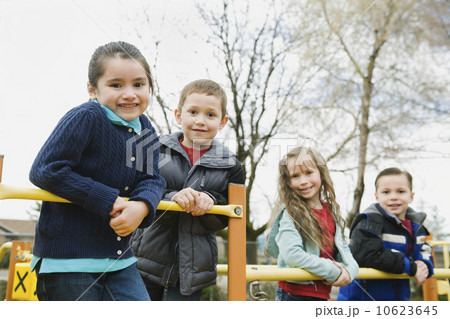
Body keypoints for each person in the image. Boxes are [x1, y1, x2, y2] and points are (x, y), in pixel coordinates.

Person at [28, 41, 166, 301]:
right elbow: (45, 170)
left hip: (119, 261)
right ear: (93, 89)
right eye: (116, 85)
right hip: (68, 262)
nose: (129, 94)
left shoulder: (144, 128)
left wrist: (142, 206)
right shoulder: (87, 116)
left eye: (138, 84)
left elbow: (152, 178)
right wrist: (108, 199)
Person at [131, 79, 244, 301]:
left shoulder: (232, 165)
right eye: (193, 112)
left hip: (194, 269)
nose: (200, 121)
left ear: (222, 122)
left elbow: (229, 216)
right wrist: (173, 198)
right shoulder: (153, 149)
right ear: (178, 115)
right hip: (144, 260)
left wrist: (209, 202)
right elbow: (137, 190)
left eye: (210, 115)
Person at [265, 146, 359, 301]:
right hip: (293, 295)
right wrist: (333, 271)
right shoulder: (291, 212)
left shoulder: (332, 212)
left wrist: (349, 272)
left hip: (321, 295)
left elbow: (344, 251)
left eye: (309, 173)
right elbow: (292, 255)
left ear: (321, 173)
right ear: (288, 182)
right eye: (295, 176)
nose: (303, 181)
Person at [337, 167, 433, 301]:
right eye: (386, 192)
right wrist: (410, 267)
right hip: (362, 299)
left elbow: (425, 250)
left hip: (397, 298)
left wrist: (423, 264)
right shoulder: (369, 221)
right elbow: (365, 255)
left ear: (411, 196)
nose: (393, 197)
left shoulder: (417, 227)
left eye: (400, 191)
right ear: (377, 197)